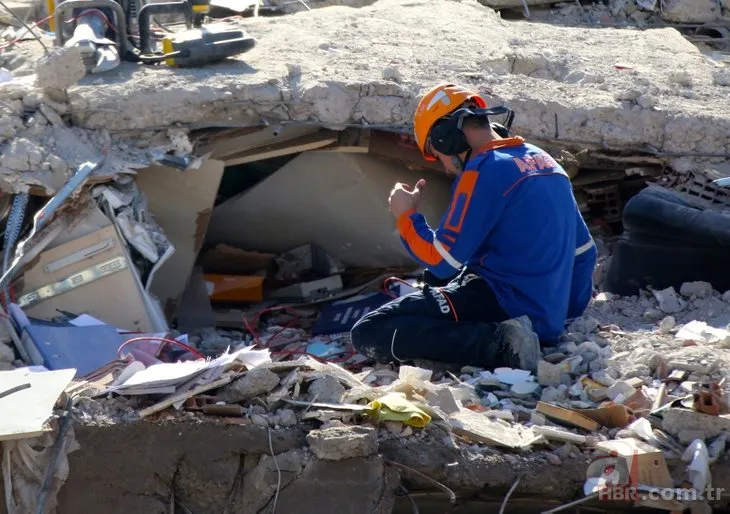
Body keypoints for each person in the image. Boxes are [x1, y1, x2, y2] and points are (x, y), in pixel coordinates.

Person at [350, 83, 596, 372]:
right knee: (434, 283)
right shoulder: (545, 160)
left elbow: (442, 261)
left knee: (369, 330)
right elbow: (584, 254)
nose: (444, 167)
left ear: (445, 139)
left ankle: (500, 346)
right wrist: (556, 318)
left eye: (436, 154)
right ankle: (516, 337)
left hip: (502, 303)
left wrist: (406, 216)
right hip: (546, 318)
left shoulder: (482, 171)